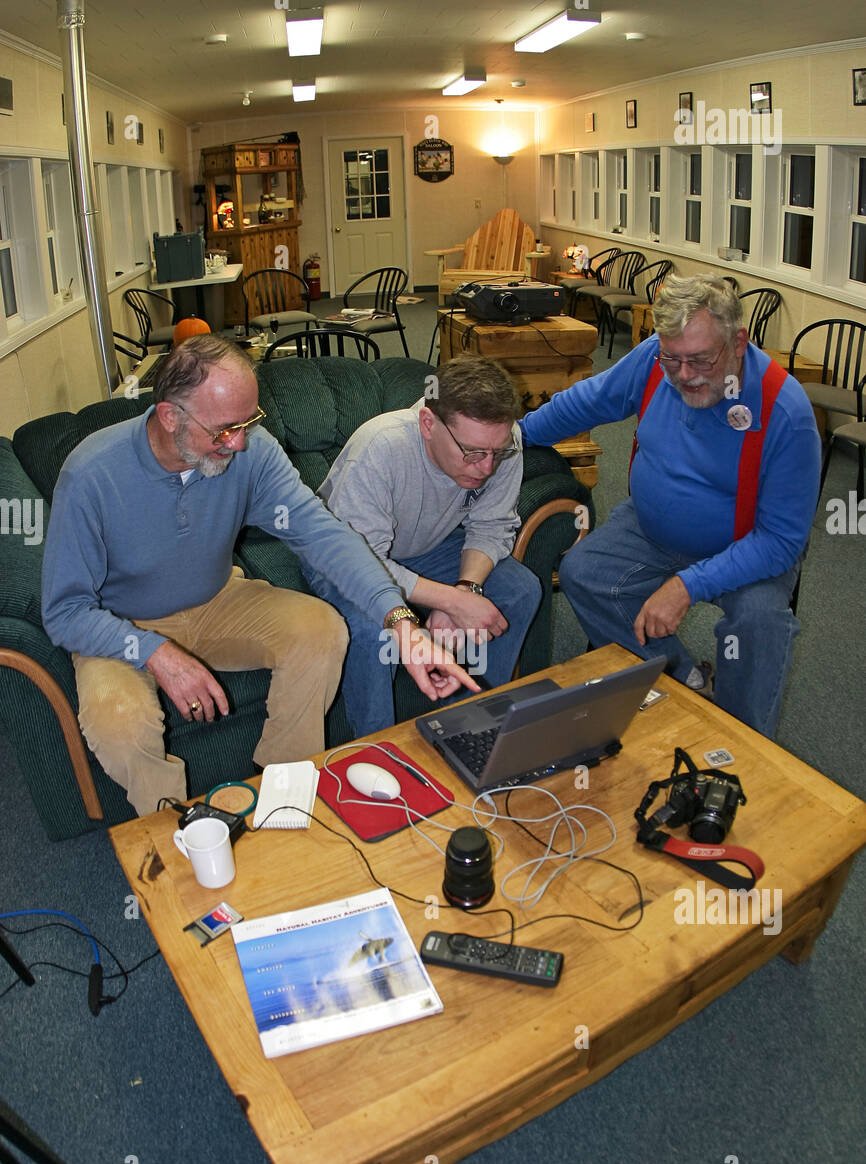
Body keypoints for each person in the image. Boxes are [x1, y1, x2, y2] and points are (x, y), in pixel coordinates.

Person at [41, 335, 480, 815]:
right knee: (119, 722)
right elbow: (65, 612)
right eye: (224, 430)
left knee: (321, 630)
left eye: (248, 422)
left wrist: (399, 619)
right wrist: (155, 653)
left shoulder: (251, 452)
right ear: (170, 417)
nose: (239, 442)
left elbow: (321, 534)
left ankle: (282, 799)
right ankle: (176, 827)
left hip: (216, 599)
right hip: (121, 625)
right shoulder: (92, 474)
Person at [521, 275, 821, 737]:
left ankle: (743, 738)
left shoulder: (786, 412)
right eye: (672, 359)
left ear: (738, 342)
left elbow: (781, 541)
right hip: (649, 529)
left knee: (759, 625)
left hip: (746, 548)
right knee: (584, 572)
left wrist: (686, 585)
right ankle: (686, 682)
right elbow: (586, 402)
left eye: (701, 359)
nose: (684, 375)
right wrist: (512, 437)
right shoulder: (653, 362)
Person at [301, 354, 543, 736]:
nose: (486, 467)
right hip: (343, 558)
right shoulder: (380, 447)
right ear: (428, 424)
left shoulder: (501, 441)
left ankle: (472, 726)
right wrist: (448, 601)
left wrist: (466, 589)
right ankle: (376, 745)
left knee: (519, 590)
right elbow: (361, 561)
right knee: (372, 629)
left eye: (496, 453)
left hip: (425, 546)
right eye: (473, 453)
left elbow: (491, 525)